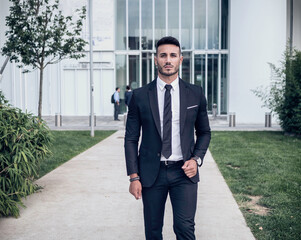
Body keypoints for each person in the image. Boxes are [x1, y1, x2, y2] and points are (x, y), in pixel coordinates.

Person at [124, 36, 211, 240]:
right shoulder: (140, 95)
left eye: (173, 55)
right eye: (163, 55)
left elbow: (205, 132)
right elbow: (130, 139)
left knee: (185, 228)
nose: (168, 60)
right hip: (151, 174)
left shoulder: (195, 94)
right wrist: (134, 176)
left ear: (181, 59)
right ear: (156, 59)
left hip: (184, 172)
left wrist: (196, 159)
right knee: (153, 231)